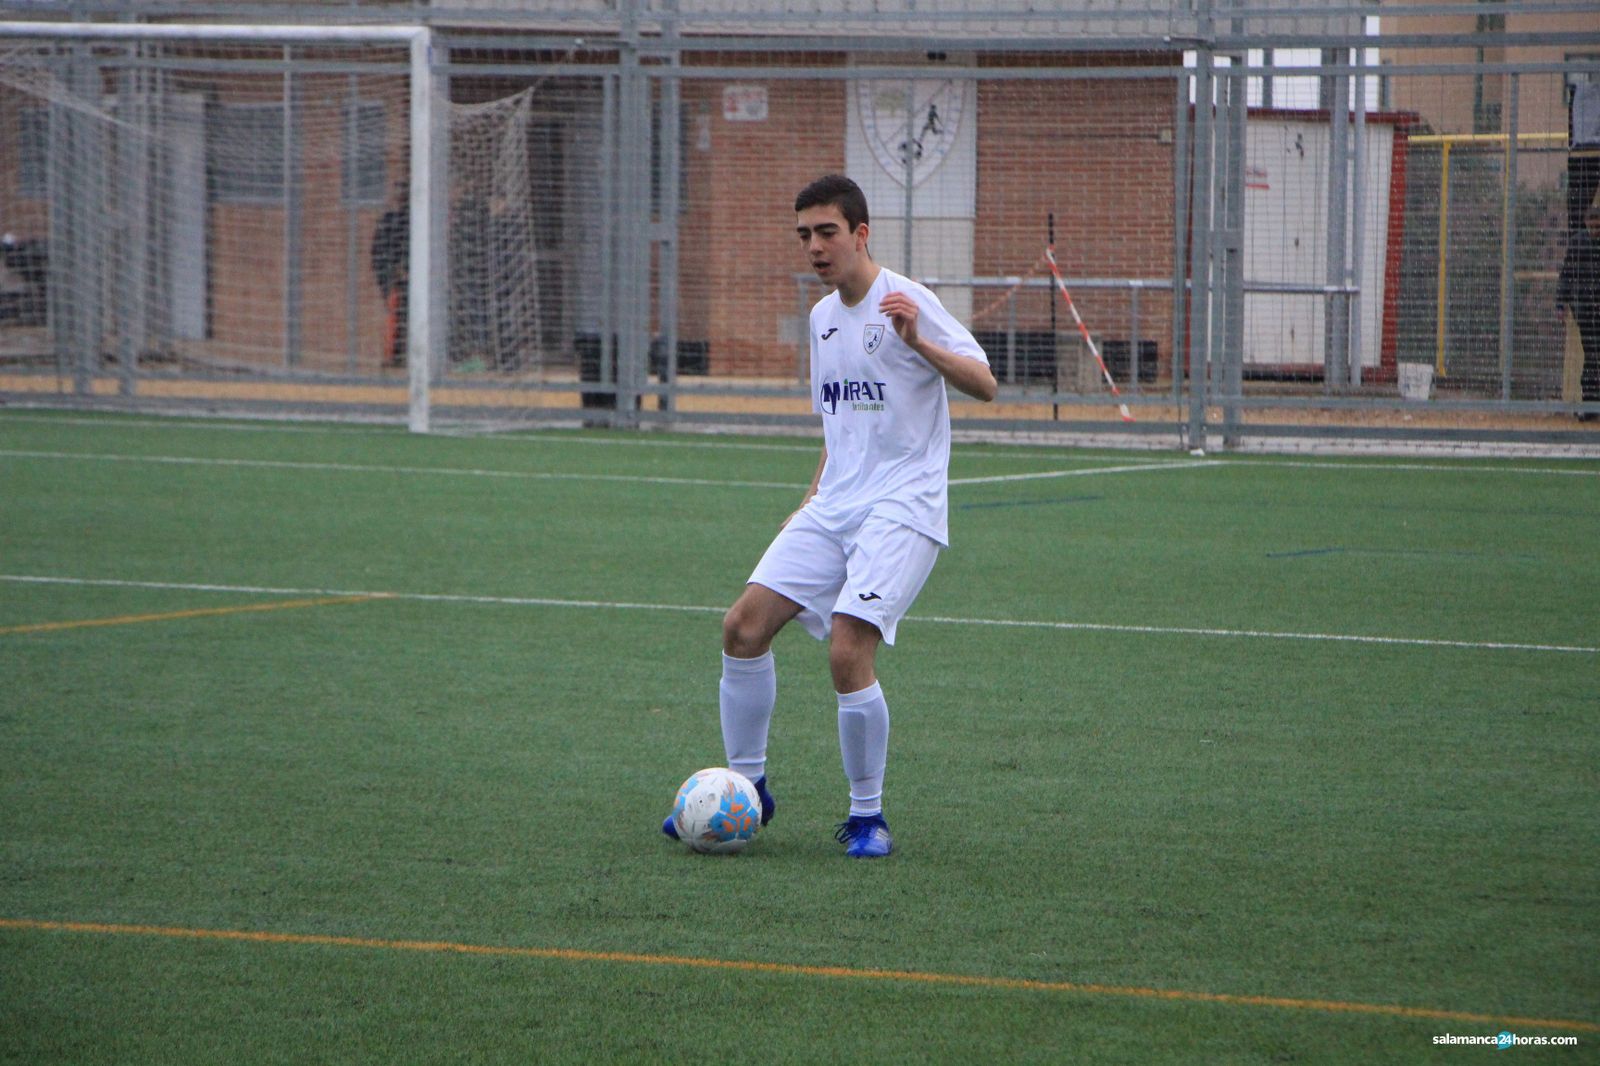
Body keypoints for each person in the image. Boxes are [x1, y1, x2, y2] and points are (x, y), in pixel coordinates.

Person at [663, 174, 997, 857]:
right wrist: (808, 501)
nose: (815, 247)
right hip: (835, 503)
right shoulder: (822, 319)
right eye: (805, 235)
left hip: (903, 508)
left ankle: (868, 817)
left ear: (860, 234)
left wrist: (918, 343)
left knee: (848, 650)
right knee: (743, 627)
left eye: (827, 233)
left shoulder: (908, 301)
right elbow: (838, 428)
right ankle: (748, 792)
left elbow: (985, 383)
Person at [1557, 195, 1600, 421]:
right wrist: (1561, 304)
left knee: (1594, 356)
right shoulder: (1578, 243)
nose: (1594, 232)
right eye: (1591, 227)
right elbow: (1567, 275)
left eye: (1597, 227)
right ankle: (1591, 404)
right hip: (1586, 310)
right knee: (1592, 355)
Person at [370, 182, 409, 370]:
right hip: (394, 279)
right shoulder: (389, 221)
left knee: (403, 316)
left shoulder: (411, 219)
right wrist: (391, 273)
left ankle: (399, 355)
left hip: (406, 278)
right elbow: (378, 251)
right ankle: (392, 356)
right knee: (395, 315)